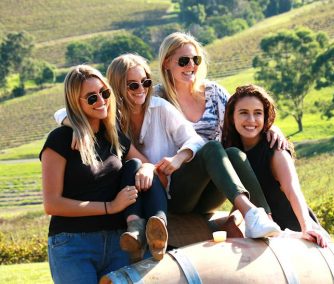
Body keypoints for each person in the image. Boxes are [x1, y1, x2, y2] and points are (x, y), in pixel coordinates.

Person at [155, 31, 286, 236]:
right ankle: (251, 214)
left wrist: (270, 127)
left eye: (195, 59)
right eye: (183, 61)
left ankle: (266, 219)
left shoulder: (214, 93)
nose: (191, 66)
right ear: (166, 63)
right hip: (176, 191)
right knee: (213, 148)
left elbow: (242, 118)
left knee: (234, 154)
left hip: (211, 191)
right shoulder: (158, 99)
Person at [40, 65, 146, 283]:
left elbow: (145, 164)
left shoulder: (114, 136)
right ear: (75, 103)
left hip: (118, 243)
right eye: (91, 98)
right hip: (73, 245)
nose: (101, 101)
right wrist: (111, 207)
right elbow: (52, 204)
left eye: (104, 93)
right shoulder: (60, 140)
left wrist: (147, 168)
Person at [221, 84, 328, 248]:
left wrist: (307, 228)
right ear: (231, 117)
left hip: (295, 229)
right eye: (244, 113)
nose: (251, 120)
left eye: (258, 113)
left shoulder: (275, 149)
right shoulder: (232, 153)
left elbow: (292, 189)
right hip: (265, 235)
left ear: (265, 117)